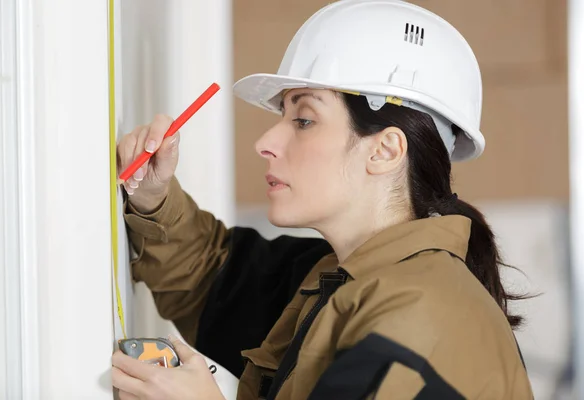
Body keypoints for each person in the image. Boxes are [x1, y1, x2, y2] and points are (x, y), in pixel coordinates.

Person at [111, 0, 534, 399]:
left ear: (384, 150)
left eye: (305, 119)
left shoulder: (421, 316)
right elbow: (210, 279)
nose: (266, 142)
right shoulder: (340, 282)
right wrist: (152, 196)